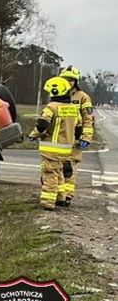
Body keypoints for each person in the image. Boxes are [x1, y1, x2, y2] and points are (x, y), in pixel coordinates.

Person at [33, 76, 80, 210]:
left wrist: (35, 134)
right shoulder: (73, 108)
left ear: (55, 91)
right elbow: (79, 128)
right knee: (59, 173)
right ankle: (61, 197)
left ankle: (48, 202)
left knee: (50, 175)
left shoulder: (51, 107)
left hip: (51, 149)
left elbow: (42, 125)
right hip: (66, 149)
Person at [59, 66, 94, 205]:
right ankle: (59, 195)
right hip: (60, 138)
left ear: (75, 81)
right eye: (65, 79)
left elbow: (88, 119)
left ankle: (67, 196)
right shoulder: (58, 94)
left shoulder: (82, 97)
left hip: (75, 138)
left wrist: (86, 137)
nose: (68, 82)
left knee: (70, 168)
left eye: (71, 80)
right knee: (57, 167)